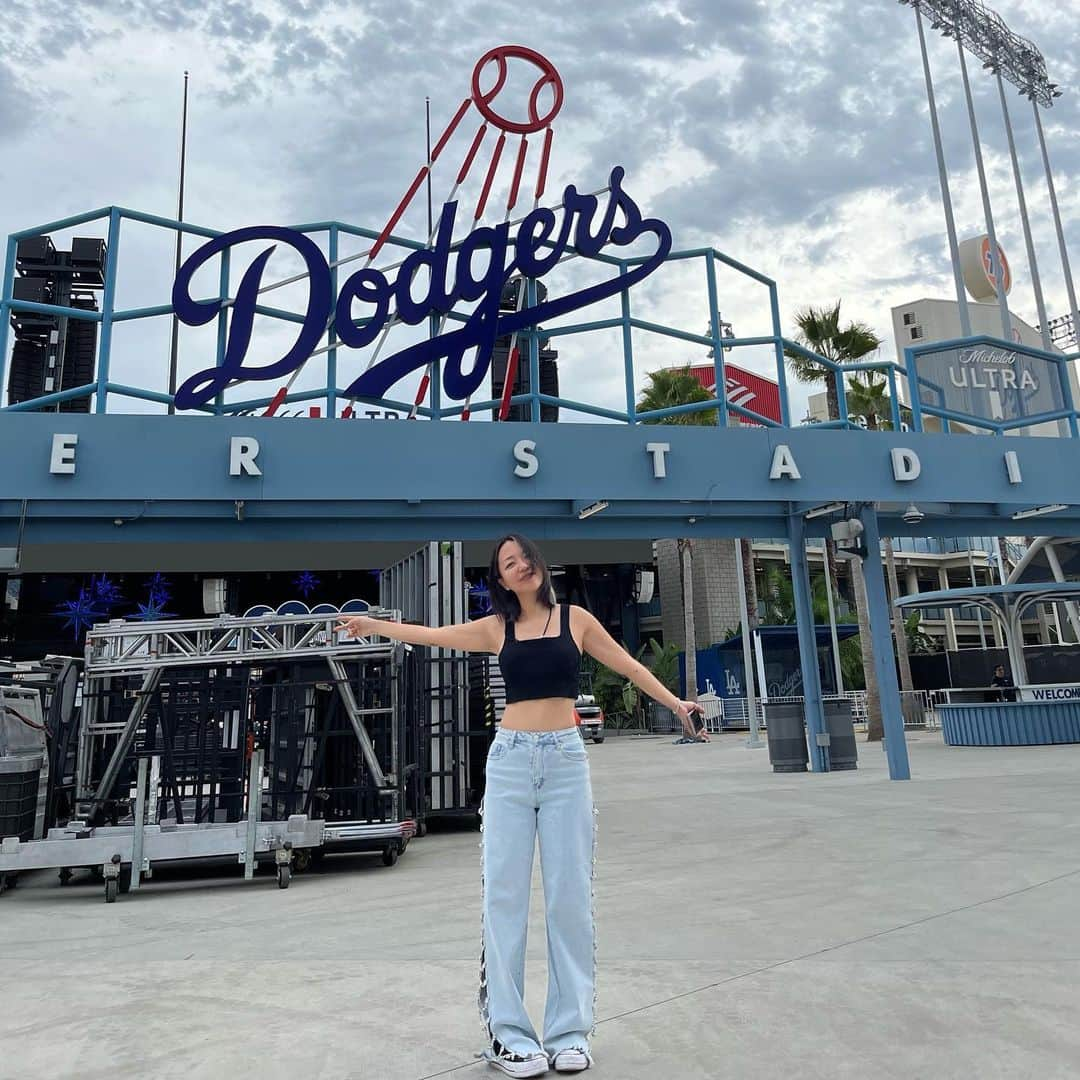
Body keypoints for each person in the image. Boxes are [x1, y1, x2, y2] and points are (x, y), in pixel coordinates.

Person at [339, 534, 705, 1077]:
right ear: (502, 580)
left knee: (569, 899)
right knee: (505, 901)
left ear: (540, 566)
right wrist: (374, 626)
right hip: (510, 764)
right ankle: (510, 1037)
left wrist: (678, 704)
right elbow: (434, 634)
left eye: (526, 557)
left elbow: (628, 665)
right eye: (509, 563)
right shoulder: (495, 629)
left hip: (564, 763)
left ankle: (569, 1033)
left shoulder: (575, 620)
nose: (521, 566)